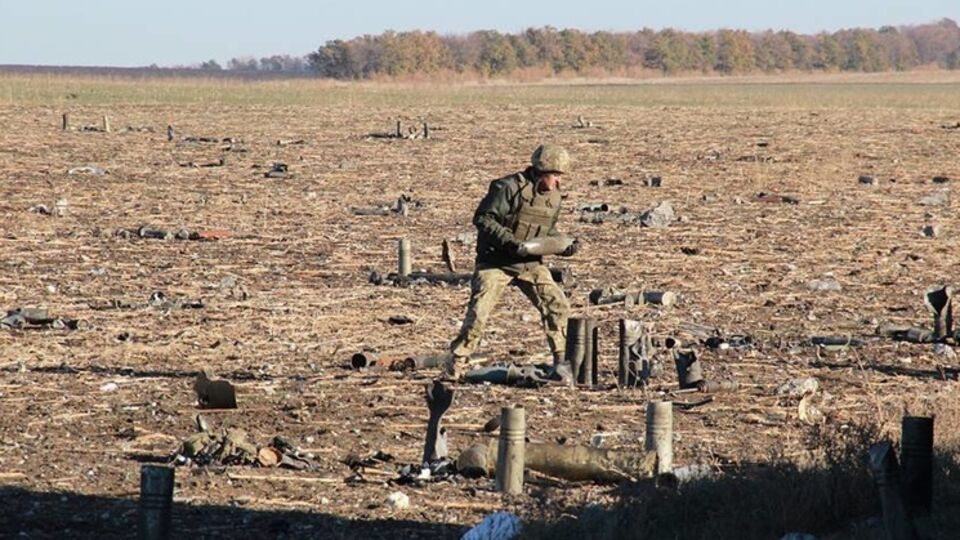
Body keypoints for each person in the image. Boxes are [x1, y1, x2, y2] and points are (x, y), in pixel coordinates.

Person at [444, 144, 577, 382]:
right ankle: (455, 363)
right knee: (479, 314)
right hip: (495, 261)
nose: (557, 182)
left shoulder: (554, 198)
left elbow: (548, 230)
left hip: (529, 263)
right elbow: (483, 218)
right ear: (541, 171)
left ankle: (560, 363)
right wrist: (510, 242)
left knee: (557, 305)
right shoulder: (508, 188)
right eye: (555, 176)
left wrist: (563, 245)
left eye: (559, 177)